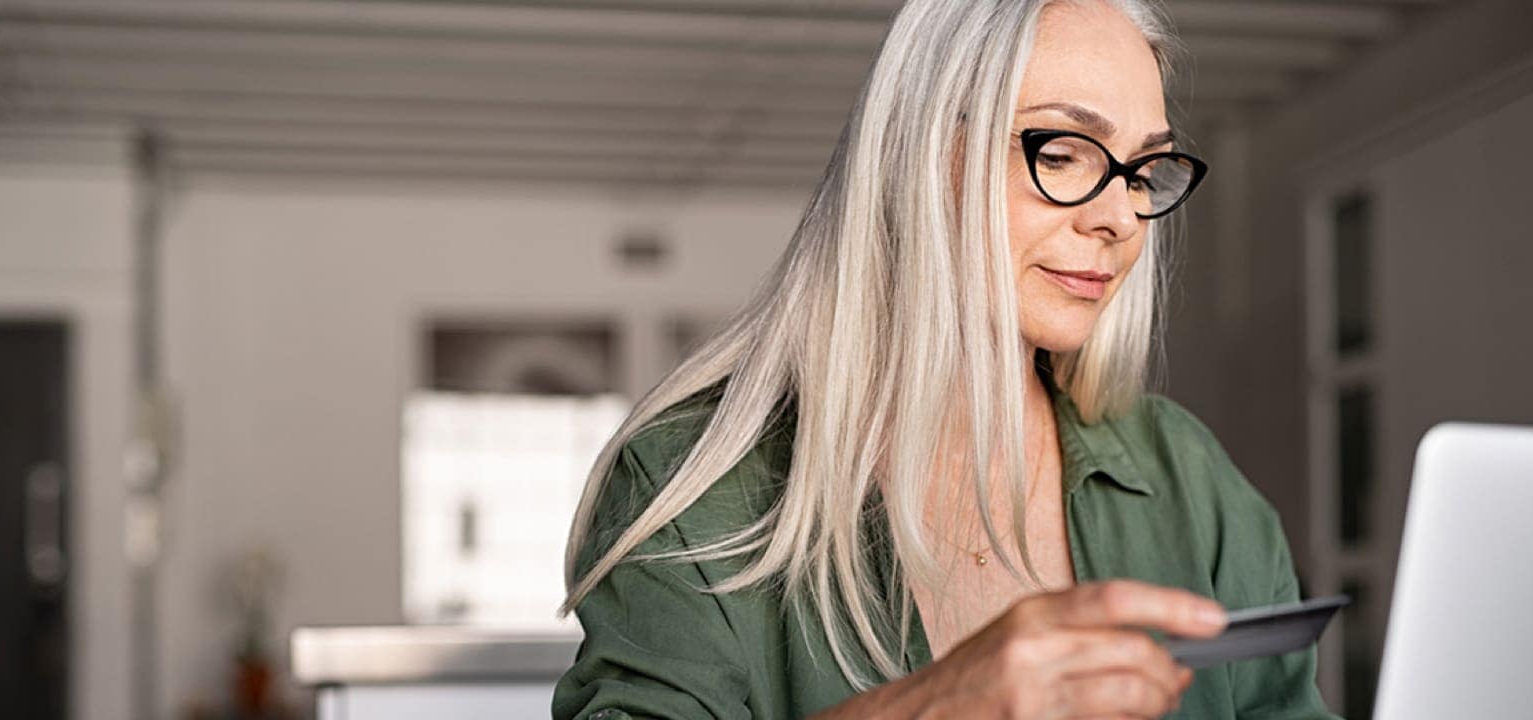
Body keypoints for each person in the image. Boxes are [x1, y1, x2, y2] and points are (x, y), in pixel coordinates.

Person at [554, 0, 1340, 718]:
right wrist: (934, 706)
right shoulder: (695, 482)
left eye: (1142, 171)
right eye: (1064, 153)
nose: (1120, 220)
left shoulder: (1188, 480)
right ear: (919, 154)